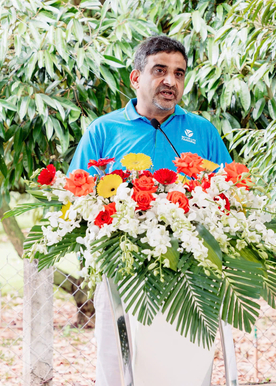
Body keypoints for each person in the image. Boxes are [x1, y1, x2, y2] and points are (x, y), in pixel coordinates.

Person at [68, 35, 232, 386]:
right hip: (121, 273)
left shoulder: (201, 131)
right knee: (118, 368)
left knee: (186, 368)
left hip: (191, 276)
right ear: (135, 77)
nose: (171, 81)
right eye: (160, 70)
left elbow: (229, 194)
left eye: (179, 73)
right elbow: (75, 195)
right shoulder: (103, 130)